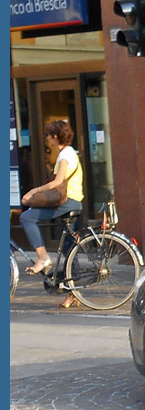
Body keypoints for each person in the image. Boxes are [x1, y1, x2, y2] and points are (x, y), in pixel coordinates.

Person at [20, 120, 84, 305]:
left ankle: (43, 257)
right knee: (69, 248)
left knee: (26, 217)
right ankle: (74, 294)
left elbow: (58, 182)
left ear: (55, 137)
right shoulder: (68, 153)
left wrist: (35, 191)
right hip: (73, 202)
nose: (47, 139)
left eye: (48, 135)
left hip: (67, 203)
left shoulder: (65, 155)